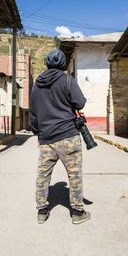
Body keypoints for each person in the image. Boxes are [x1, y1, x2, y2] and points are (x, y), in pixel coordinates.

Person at [29, 49, 91, 224]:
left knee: (43, 176)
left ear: (47, 64)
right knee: (74, 175)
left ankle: (42, 212)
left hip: (46, 139)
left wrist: (38, 134)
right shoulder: (67, 81)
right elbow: (80, 103)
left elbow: (33, 114)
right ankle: (78, 213)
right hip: (68, 136)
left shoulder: (36, 85)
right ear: (63, 64)